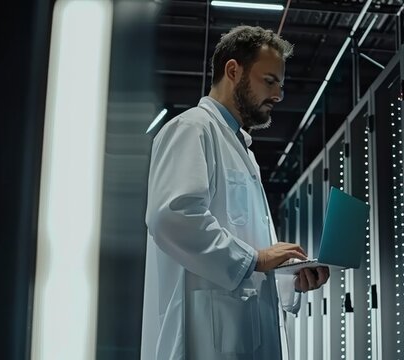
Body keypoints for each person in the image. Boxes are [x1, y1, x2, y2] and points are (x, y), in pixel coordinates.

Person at [141, 25, 330, 360]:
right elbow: (171, 216)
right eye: (269, 81)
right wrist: (254, 259)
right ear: (233, 70)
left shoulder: (243, 151)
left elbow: (252, 250)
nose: (278, 95)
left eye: (280, 84)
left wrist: (290, 276)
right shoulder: (192, 129)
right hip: (204, 339)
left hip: (240, 334)